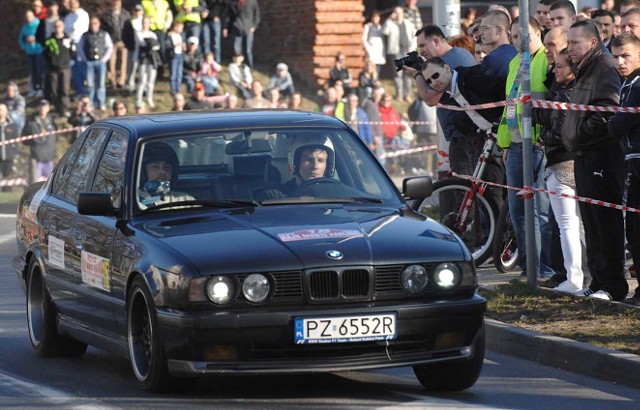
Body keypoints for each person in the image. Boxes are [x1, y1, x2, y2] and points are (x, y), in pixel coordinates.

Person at [562, 20, 626, 301]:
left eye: (575, 43)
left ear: (592, 42)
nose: (569, 48)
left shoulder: (604, 68)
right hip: (584, 154)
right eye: (569, 42)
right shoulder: (586, 68)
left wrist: (582, 135)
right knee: (590, 221)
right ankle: (598, 280)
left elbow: (607, 110)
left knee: (605, 221)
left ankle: (612, 286)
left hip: (601, 155)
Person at [497, 16, 555, 279]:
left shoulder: (545, 60)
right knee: (517, 210)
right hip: (516, 144)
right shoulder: (514, 62)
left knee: (540, 210)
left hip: (538, 145)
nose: (517, 40)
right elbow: (510, 104)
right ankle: (527, 267)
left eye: (523, 34)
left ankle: (544, 268)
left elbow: (549, 102)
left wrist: (544, 136)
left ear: (537, 32)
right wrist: (505, 142)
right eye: (513, 35)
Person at [532, 48, 585, 294]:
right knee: (575, 225)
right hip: (570, 162)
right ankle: (577, 276)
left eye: (560, 66)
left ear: (573, 70)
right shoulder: (565, 92)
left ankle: (574, 279)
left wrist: (544, 136)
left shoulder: (567, 96)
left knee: (568, 225)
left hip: (563, 163)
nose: (554, 70)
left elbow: (560, 132)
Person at [608, 33, 640, 304]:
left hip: (637, 160)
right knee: (633, 226)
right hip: (631, 156)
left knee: (636, 227)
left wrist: (613, 124)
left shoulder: (637, 84)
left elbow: (619, 124)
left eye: (626, 55)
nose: (620, 61)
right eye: (615, 56)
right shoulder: (627, 83)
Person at [259, 135, 336, 199]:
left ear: (328, 165)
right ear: (294, 163)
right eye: (308, 159)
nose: (315, 166)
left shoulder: (338, 195)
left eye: (321, 160)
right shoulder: (274, 198)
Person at [138, 141, 194, 208]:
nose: (162, 172)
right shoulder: (132, 201)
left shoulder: (185, 200)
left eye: (167, 167)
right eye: (155, 167)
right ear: (143, 172)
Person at [77, 16, 113, 111]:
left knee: (101, 84)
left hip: (101, 62)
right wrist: (84, 59)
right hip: (89, 62)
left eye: (95, 23)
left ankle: (101, 103)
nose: (93, 25)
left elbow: (109, 47)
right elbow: (79, 47)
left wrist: (104, 59)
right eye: (91, 23)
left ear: (99, 24)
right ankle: (90, 103)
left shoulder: (104, 34)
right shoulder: (85, 35)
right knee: (90, 85)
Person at [382, 7, 415, 102]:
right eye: (396, 12)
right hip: (395, 51)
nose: (397, 14)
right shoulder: (390, 23)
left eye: (399, 12)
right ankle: (399, 95)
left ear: (402, 13)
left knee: (408, 73)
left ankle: (407, 94)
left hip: (407, 51)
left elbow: (414, 36)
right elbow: (384, 31)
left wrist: (412, 47)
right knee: (398, 74)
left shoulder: (408, 23)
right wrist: (389, 19)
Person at [43, 19, 74, 117]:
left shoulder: (68, 39)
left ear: (63, 26)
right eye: (56, 26)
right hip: (53, 68)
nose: (58, 28)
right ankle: (56, 109)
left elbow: (72, 52)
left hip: (65, 67)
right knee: (54, 90)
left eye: (60, 26)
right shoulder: (49, 40)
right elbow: (45, 54)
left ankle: (64, 109)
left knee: (64, 89)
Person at [22, 99, 57, 184]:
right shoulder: (31, 122)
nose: (42, 108)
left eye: (44, 106)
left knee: (50, 184)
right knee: (35, 184)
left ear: (48, 108)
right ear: (37, 108)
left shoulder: (52, 121)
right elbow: (24, 138)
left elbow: (56, 137)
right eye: (40, 106)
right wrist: (34, 145)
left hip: (49, 158)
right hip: (36, 158)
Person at [479, 9, 518, 77]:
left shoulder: (491, 59)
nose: (480, 33)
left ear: (499, 30)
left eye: (485, 28)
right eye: (480, 28)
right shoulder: (518, 52)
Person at [101, 0, 130, 90]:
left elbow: (129, 27)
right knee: (111, 62)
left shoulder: (126, 14)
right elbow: (104, 28)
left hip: (123, 40)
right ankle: (112, 80)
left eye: (118, 2)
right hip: (111, 41)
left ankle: (121, 80)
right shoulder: (106, 15)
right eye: (114, 2)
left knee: (122, 61)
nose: (116, 4)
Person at [63, 0, 90, 96]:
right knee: (73, 67)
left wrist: (72, 29)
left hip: (81, 42)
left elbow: (77, 27)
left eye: (74, 3)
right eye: (70, 4)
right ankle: (79, 90)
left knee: (82, 66)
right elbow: (66, 30)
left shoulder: (83, 15)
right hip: (71, 44)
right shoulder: (68, 17)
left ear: (78, 4)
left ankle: (84, 88)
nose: (72, 5)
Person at [224, 0, 260, 68]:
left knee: (247, 51)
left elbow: (257, 15)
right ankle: (238, 68)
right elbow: (229, 16)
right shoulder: (233, 3)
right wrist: (226, 27)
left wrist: (254, 26)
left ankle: (249, 68)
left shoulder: (252, 2)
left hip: (248, 29)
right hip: (236, 29)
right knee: (237, 51)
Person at [136, 17, 162, 109]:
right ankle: (138, 99)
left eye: (147, 23)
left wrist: (151, 44)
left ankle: (149, 98)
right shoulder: (138, 33)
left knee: (151, 80)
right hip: (143, 59)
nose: (145, 25)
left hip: (152, 58)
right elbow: (143, 43)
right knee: (142, 80)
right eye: (143, 23)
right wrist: (151, 43)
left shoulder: (153, 34)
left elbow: (157, 46)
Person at [19, 10, 45, 97]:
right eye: (26, 17)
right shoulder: (25, 27)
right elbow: (21, 39)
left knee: (39, 70)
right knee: (32, 71)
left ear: (33, 16)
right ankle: (34, 88)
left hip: (39, 51)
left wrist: (35, 39)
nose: (28, 18)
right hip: (30, 52)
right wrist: (25, 47)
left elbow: (42, 36)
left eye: (30, 16)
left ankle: (40, 88)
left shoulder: (38, 24)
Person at [201, 0, 229, 64]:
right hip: (205, 21)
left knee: (216, 43)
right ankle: (207, 62)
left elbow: (225, 7)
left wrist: (219, 16)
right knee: (206, 42)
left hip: (215, 21)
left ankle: (217, 62)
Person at [0, 103, 20, 190]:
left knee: (8, 176)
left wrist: (14, 153)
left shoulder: (12, 125)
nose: (0, 112)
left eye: (2, 110)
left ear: (6, 111)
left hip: (9, 156)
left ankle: (8, 191)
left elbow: (16, 141)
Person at [165, 20, 184, 95]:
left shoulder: (179, 35)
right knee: (173, 73)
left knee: (179, 73)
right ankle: (173, 89)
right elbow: (168, 46)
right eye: (180, 28)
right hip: (174, 56)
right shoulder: (170, 35)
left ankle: (178, 88)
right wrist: (176, 45)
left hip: (180, 55)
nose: (181, 30)